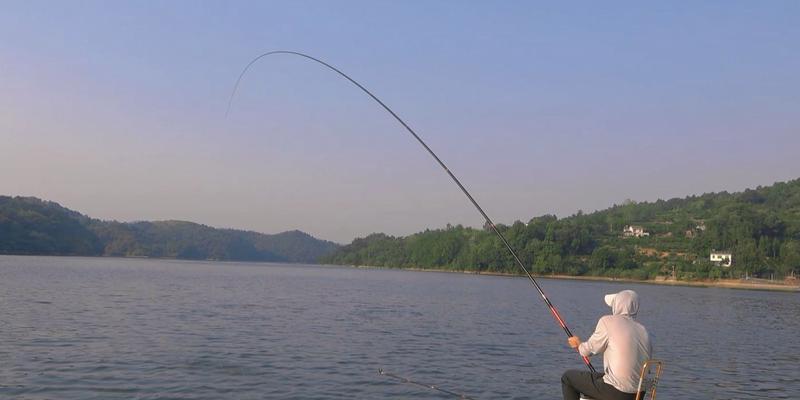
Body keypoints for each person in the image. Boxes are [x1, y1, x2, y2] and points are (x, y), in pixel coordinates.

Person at [561, 289, 652, 400]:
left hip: (617, 392)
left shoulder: (607, 321)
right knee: (600, 378)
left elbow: (586, 351)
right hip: (638, 395)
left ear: (617, 306)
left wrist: (578, 344)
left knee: (568, 378)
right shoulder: (643, 330)